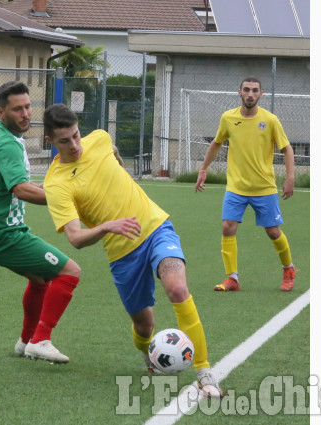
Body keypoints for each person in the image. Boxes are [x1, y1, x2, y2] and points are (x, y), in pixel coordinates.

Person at [42, 103, 223, 399]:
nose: (74, 145)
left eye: (76, 135)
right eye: (65, 141)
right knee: (144, 324)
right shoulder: (57, 184)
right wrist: (107, 226)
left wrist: (122, 172)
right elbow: (75, 237)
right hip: (121, 252)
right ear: (50, 141)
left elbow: (112, 153)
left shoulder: (98, 138)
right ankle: (148, 354)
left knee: (177, 288)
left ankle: (204, 371)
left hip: (154, 226)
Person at [0, 81, 82, 364]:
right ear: (1, 112)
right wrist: (68, 200)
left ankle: (26, 340)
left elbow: (24, 184)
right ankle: (41, 340)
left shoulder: (3, 136)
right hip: (1, 233)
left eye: (28, 106)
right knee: (70, 271)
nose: (25, 114)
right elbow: (20, 189)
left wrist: (57, 191)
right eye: (17, 109)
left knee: (40, 278)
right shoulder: (6, 143)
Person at [195, 76, 297, 292]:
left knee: (273, 232)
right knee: (227, 227)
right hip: (236, 187)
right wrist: (203, 169)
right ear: (239, 92)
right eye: (247, 90)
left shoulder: (270, 120)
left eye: (255, 90)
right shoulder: (228, 118)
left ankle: (288, 269)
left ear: (261, 94)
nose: (250, 94)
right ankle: (232, 278)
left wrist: (290, 177)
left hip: (264, 188)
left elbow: (287, 148)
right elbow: (216, 143)